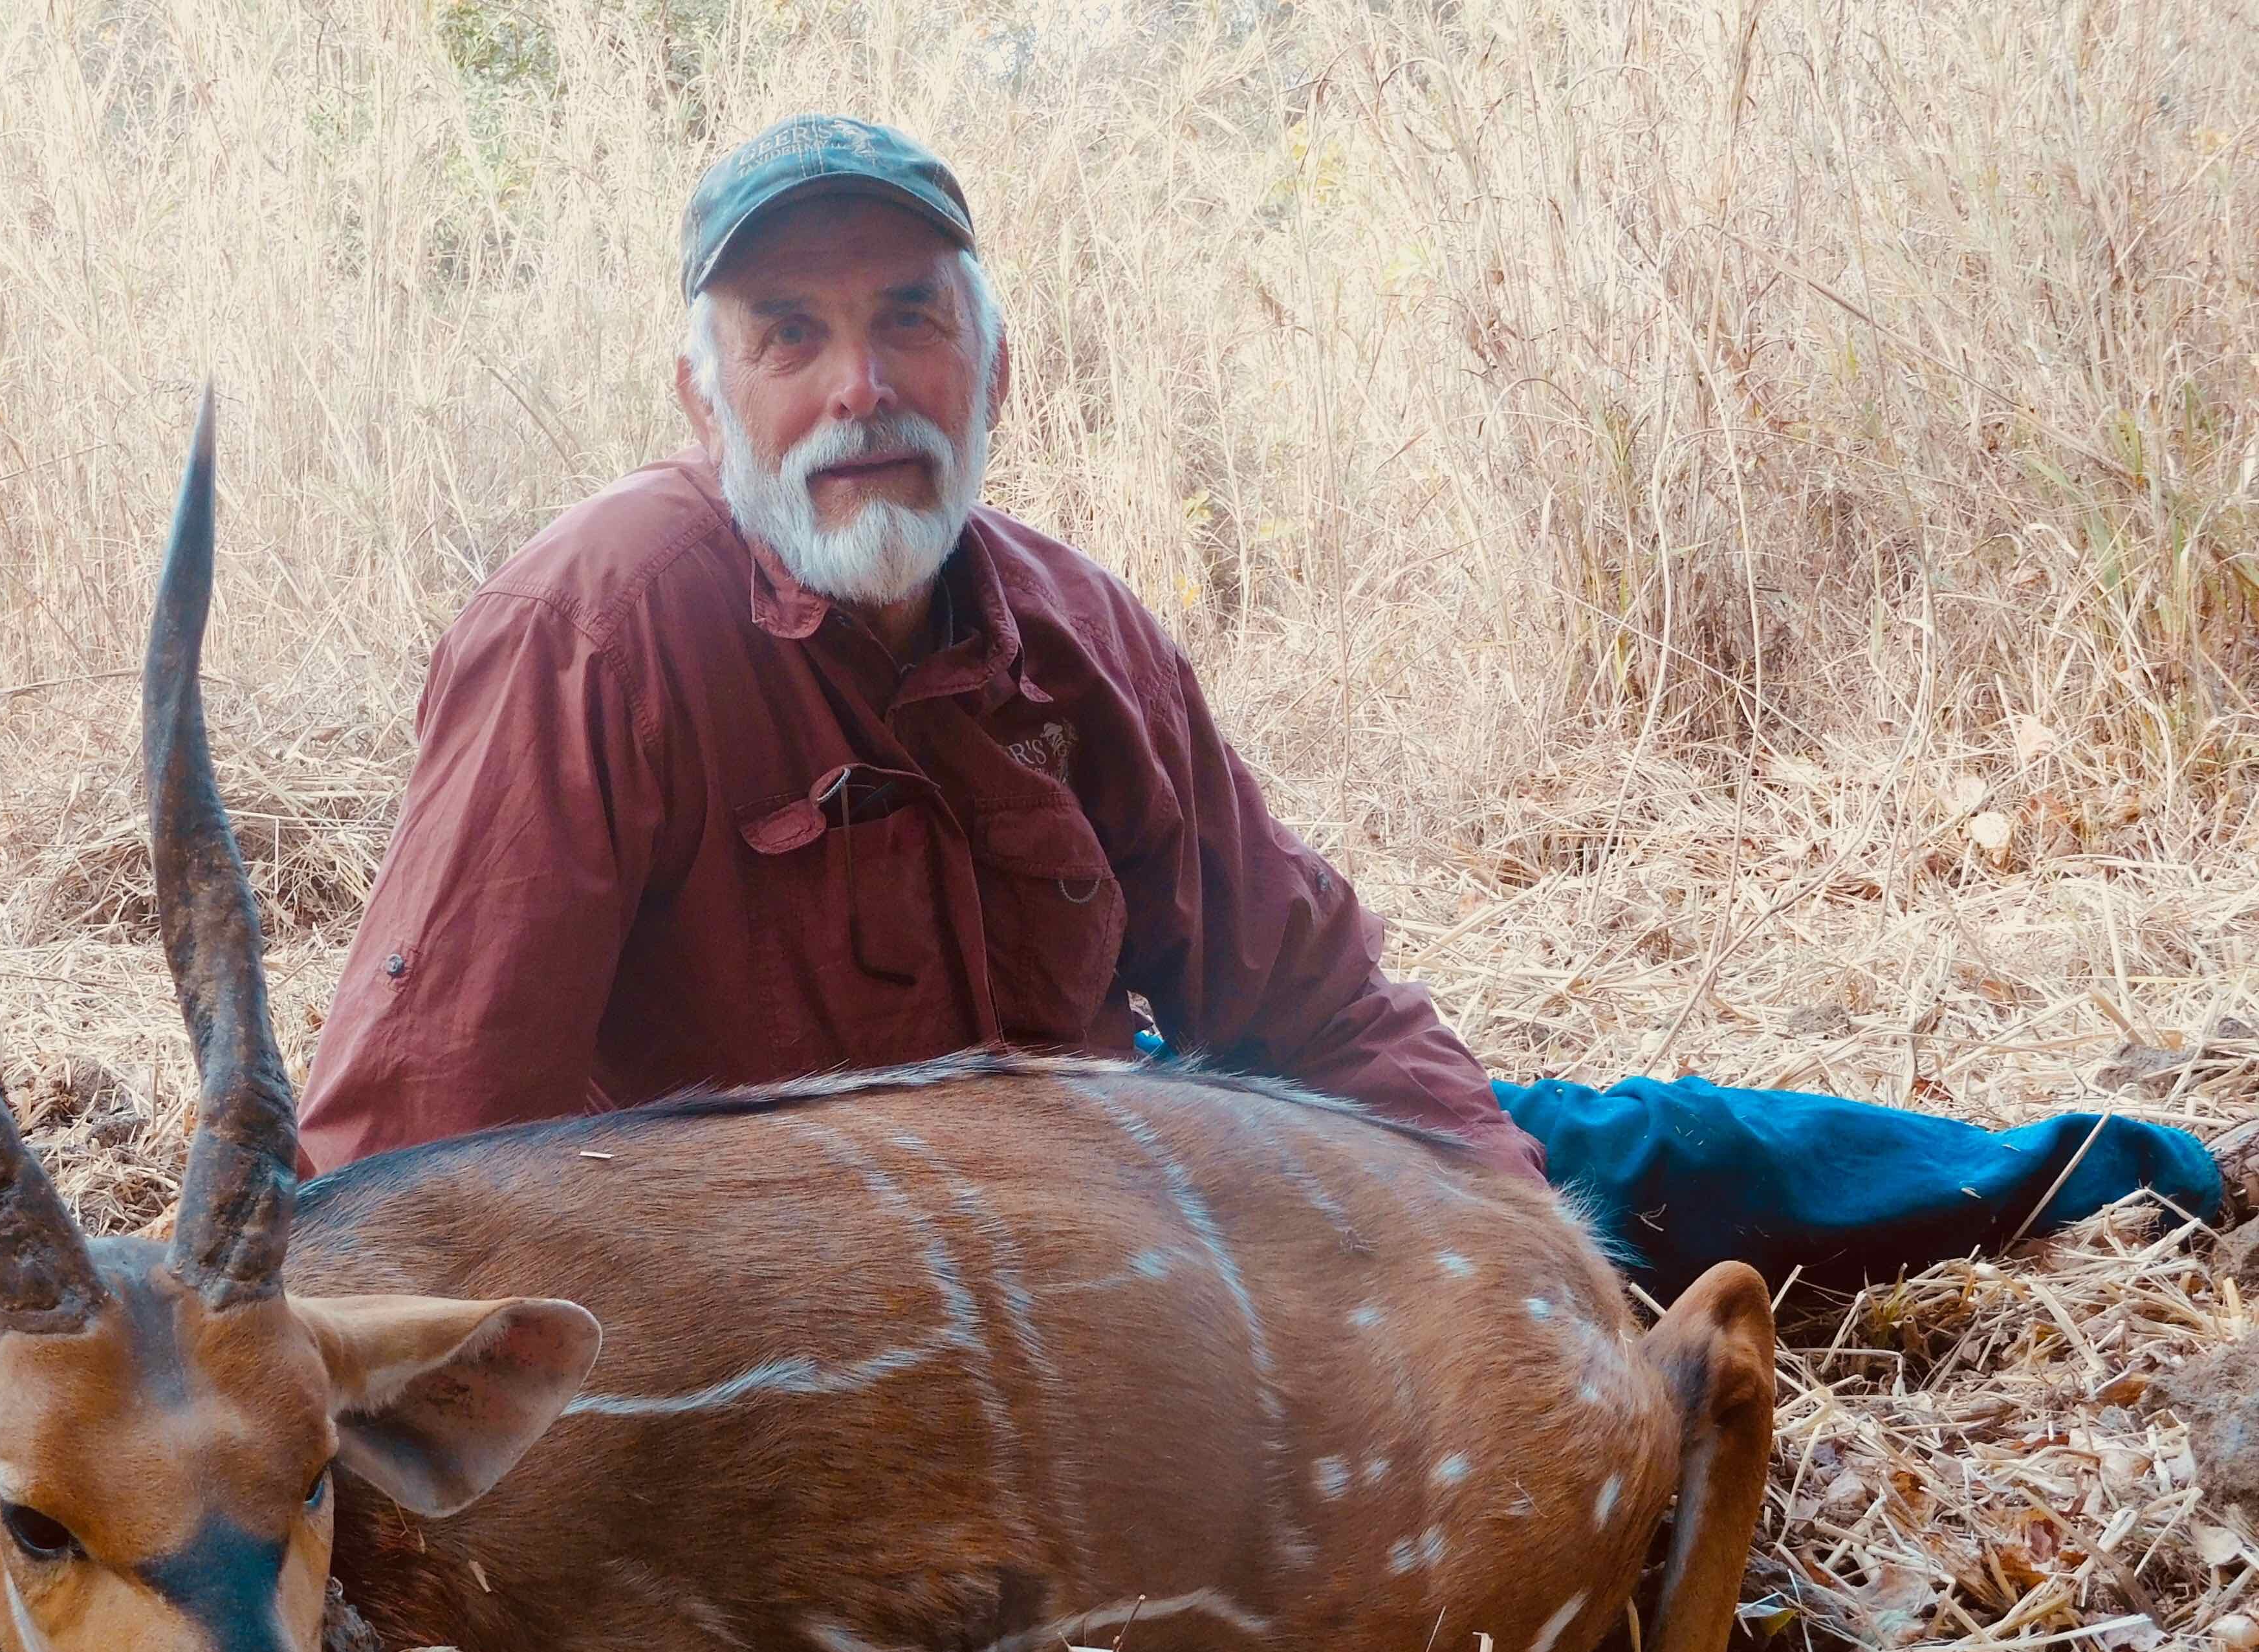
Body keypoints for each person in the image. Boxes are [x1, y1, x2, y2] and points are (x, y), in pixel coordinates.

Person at [296, 114, 2247, 1304]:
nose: (857, 388)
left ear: (997, 366)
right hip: (808, 1311)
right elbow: (401, 1165)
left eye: (909, 319)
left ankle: (2136, 1177)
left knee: (1598, 1157)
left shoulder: (1077, 631)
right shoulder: (602, 622)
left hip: (1116, 1214)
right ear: (701, 395)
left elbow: (1306, 1007)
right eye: (788, 337)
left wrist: (1529, 1267)